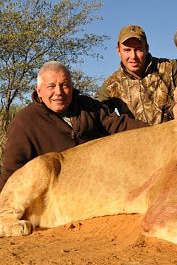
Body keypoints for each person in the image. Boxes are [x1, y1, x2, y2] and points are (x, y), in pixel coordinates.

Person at [0, 61, 147, 190]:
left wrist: (159, 131)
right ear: (39, 90)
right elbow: (12, 170)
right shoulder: (24, 121)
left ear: (71, 86)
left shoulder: (88, 105)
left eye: (64, 85)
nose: (58, 92)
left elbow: (119, 125)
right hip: (59, 194)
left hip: (102, 182)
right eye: (51, 86)